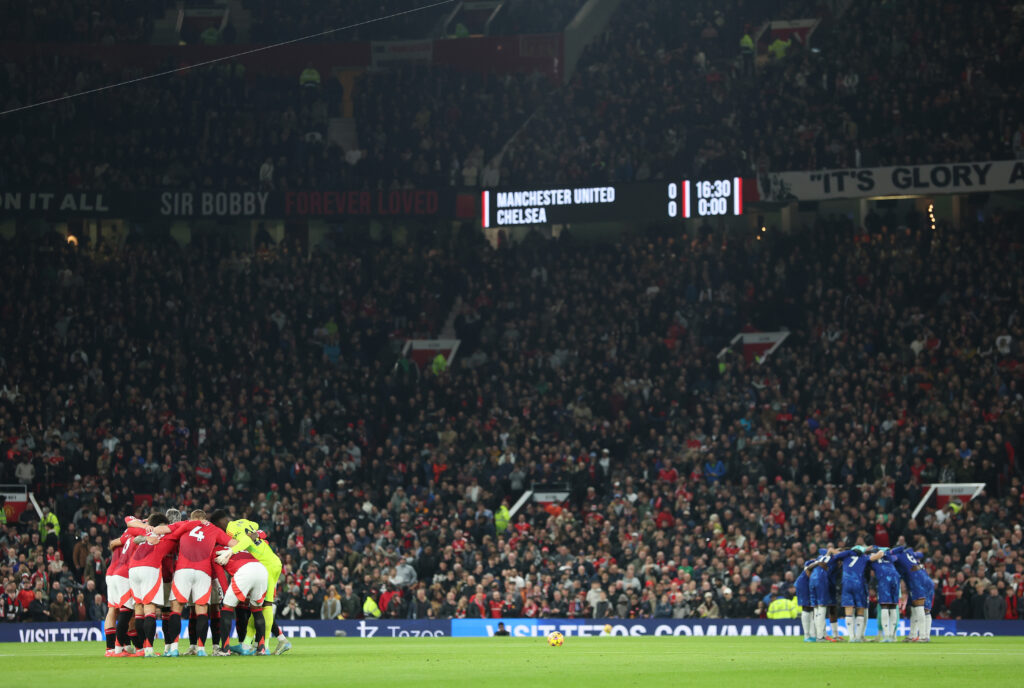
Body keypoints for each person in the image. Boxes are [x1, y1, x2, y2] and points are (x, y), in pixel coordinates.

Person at [212, 546, 270, 656]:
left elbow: (222, 577)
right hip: (261, 569)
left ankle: (225, 649)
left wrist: (225, 597)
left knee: (227, 609)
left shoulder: (216, 551)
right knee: (257, 610)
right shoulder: (242, 546)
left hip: (244, 571)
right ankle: (261, 648)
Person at [890, 545, 934, 642]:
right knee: (920, 609)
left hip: (916, 580)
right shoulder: (909, 553)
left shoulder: (897, 556)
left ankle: (922, 636)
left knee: (919, 608)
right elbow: (921, 554)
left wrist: (889, 553)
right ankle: (915, 635)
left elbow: (891, 558)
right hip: (926, 578)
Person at [833, 546, 872, 642]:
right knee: (860, 610)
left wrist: (832, 550)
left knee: (848, 610)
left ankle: (851, 637)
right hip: (859, 584)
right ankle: (858, 637)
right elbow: (873, 558)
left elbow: (835, 556)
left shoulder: (846, 554)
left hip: (846, 584)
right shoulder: (864, 557)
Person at [869, 548, 901, 642]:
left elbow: (869, 559)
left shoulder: (871, 558)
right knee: (893, 607)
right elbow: (896, 557)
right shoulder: (890, 557)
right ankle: (892, 635)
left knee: (884, 606)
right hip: (896, 578)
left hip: (884, 579)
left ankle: (887, 636)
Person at [795, 559, 815, 641]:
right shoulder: (811, 564)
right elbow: (807, 569)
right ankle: (806, 635)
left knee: (810, 609)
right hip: (803, 585)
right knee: (806, 608)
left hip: (807, 584)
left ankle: (812, 634)